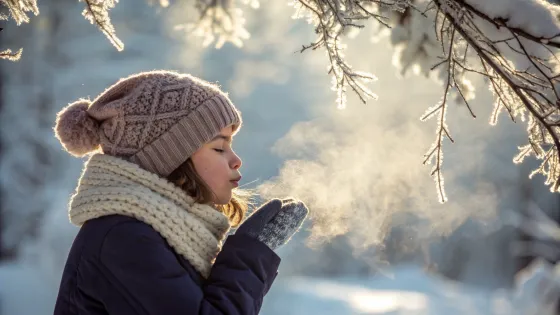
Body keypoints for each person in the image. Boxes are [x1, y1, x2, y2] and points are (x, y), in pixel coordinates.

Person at [52, 70, 309, 315]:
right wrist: (250, 257)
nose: (236, 160)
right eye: (219, 148)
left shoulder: (164, 234)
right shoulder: (124, 238)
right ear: (170, 157)